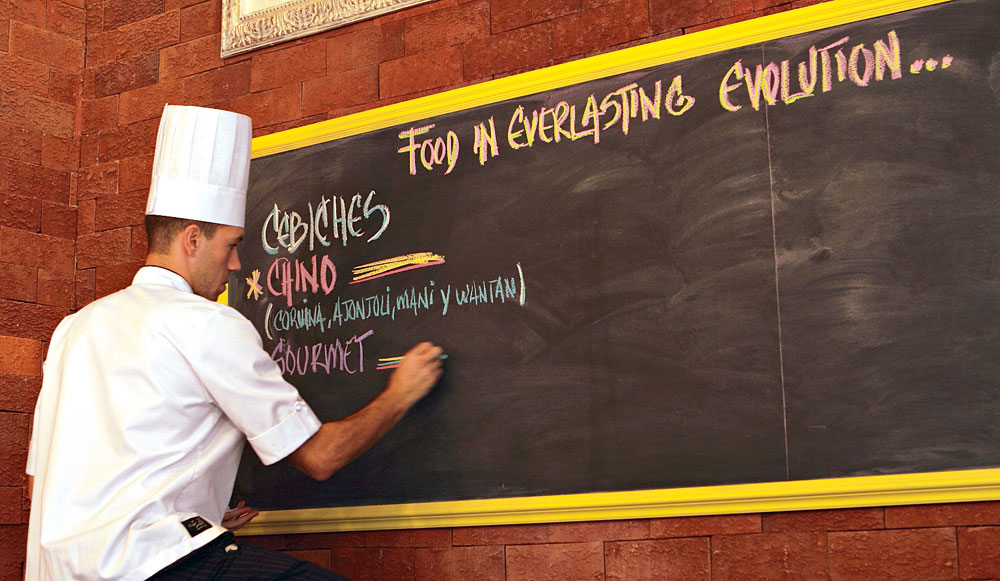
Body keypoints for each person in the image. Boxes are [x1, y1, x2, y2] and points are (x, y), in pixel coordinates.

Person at [24, 105, 444, 580]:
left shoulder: (73, 329)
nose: (237, 265)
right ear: (193, 239)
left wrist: (187, 521)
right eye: (232, 244)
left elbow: (47, 482)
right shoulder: (205, 323)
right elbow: (320, 458)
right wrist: (400, 394)